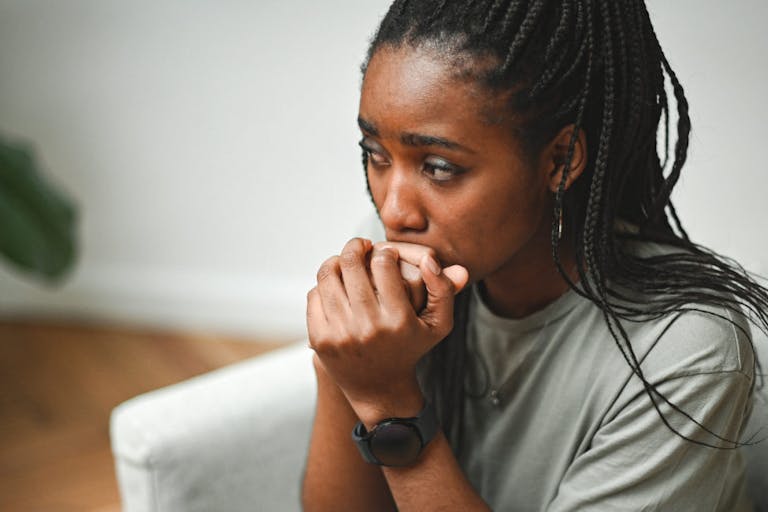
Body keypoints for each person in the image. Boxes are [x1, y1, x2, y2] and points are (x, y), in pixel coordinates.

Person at [302, 1, 768, 510]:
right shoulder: (405, 258)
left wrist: (390, 406)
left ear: (561, 159)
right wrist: (341, 370)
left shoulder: (683, 349)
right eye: (376, 154)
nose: (394, 210)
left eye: (438, 166)